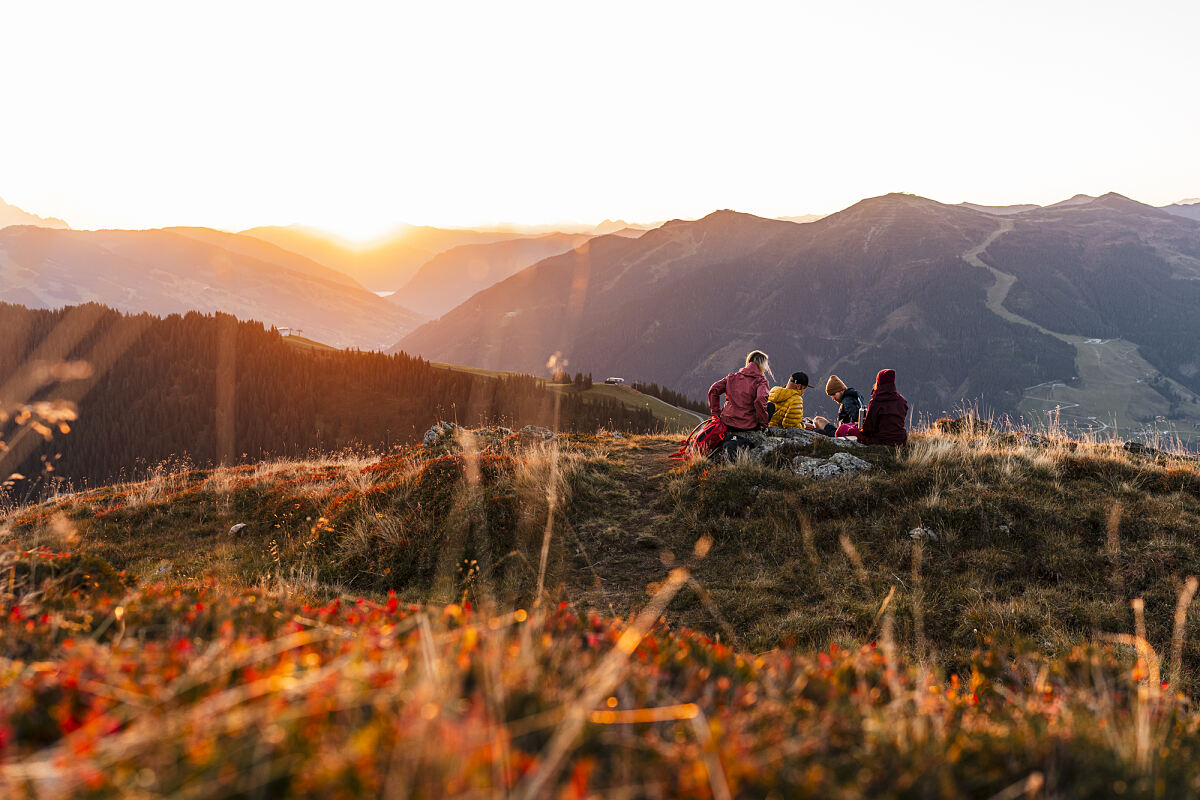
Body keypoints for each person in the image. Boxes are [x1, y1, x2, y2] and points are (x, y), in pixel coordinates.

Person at [837, 369, 909, 446]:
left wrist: (860, 425)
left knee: (843, 429)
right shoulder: (902, 401)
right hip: (900, 440)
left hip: (881, 441)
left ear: (879, 382)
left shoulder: (877, 401)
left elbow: (867, 430)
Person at [708, 350, 772, 433]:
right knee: (771, 406)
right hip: (747, 425)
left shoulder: (732, 377)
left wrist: (716, 414)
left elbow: (714, 390)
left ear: (748, 362)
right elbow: (760, 399)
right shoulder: (761, 381)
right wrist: (763, 424)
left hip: (727, 421)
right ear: (762, 365)